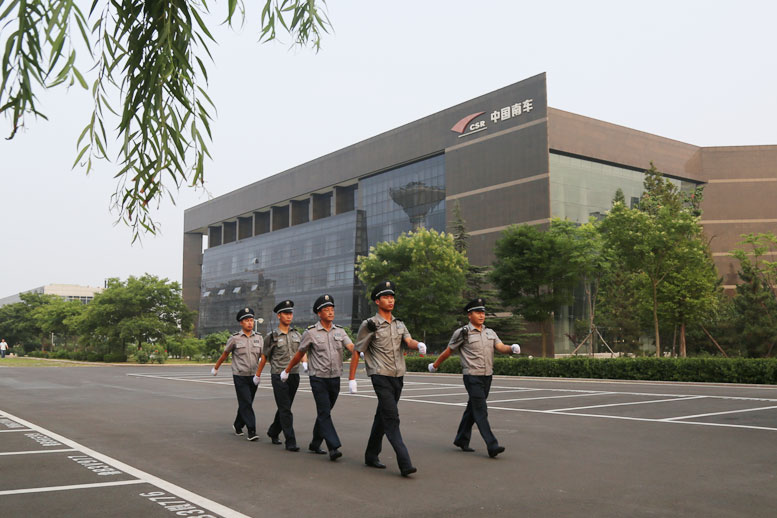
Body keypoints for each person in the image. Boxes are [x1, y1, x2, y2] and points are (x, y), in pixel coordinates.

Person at [428, 297, 521, 458]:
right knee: (480, 410)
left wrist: (511, 348)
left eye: (483, 312)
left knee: (473, 408)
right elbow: (449, 351)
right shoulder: (462, 333)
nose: (481, 315)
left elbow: (500, 347)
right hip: (472, 377)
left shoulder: (490, 332)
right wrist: (435, 365)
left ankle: (461, 439)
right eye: (477, 312)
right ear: (469, 315)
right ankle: (492, 445)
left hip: (487, 376)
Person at [354, 281, 426, 477]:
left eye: (392, 297)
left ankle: (371, 455)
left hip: (397, 376)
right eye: (386, 297)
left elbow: (408, 341)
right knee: (392, 418)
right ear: (377, 301)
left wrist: (418, 345)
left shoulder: (399, 324)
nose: (390, 300)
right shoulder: (369, 325)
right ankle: (405, 462)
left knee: (383, 416)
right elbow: (357, 350)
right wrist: (352, 378)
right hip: (380, 375)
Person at [280, 294, 359, 461]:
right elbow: (299, 353)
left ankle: (315, 443)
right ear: (319, 313)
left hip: (335, 377)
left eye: (332, 309)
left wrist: (360, 351)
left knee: (325, 412)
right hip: (318, 378)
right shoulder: (310, 333)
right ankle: (333, 447)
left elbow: (350, 346)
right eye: (326, 310)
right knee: (324, 411)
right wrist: (287, 370)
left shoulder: (340, 331)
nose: (330, 312)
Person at [254, 300, 305, 452]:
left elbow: (302, 352)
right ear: (279, 316)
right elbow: (264, 356)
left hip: (293, 374)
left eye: (290, 313)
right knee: (285, 409)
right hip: (278, 375)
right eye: (286, 313)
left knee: (285, 407)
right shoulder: (272, 336)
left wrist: (305, 364)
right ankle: (290, 441)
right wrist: (257, 375)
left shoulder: (297, 334)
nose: (289, 316)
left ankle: (273, 431)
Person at [211, 307, 263, 441]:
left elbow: (263, 356)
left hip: (253, 376)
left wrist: (259, 373)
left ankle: (238, 424)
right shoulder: (234, 338)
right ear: (241, 322)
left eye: (251, 320)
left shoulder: (259, 338)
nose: (250, 323)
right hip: (240, 375)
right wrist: (216, 367)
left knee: (247, 402)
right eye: (247, 320)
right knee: (246, 402)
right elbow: (225, 354)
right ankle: (252, 430)